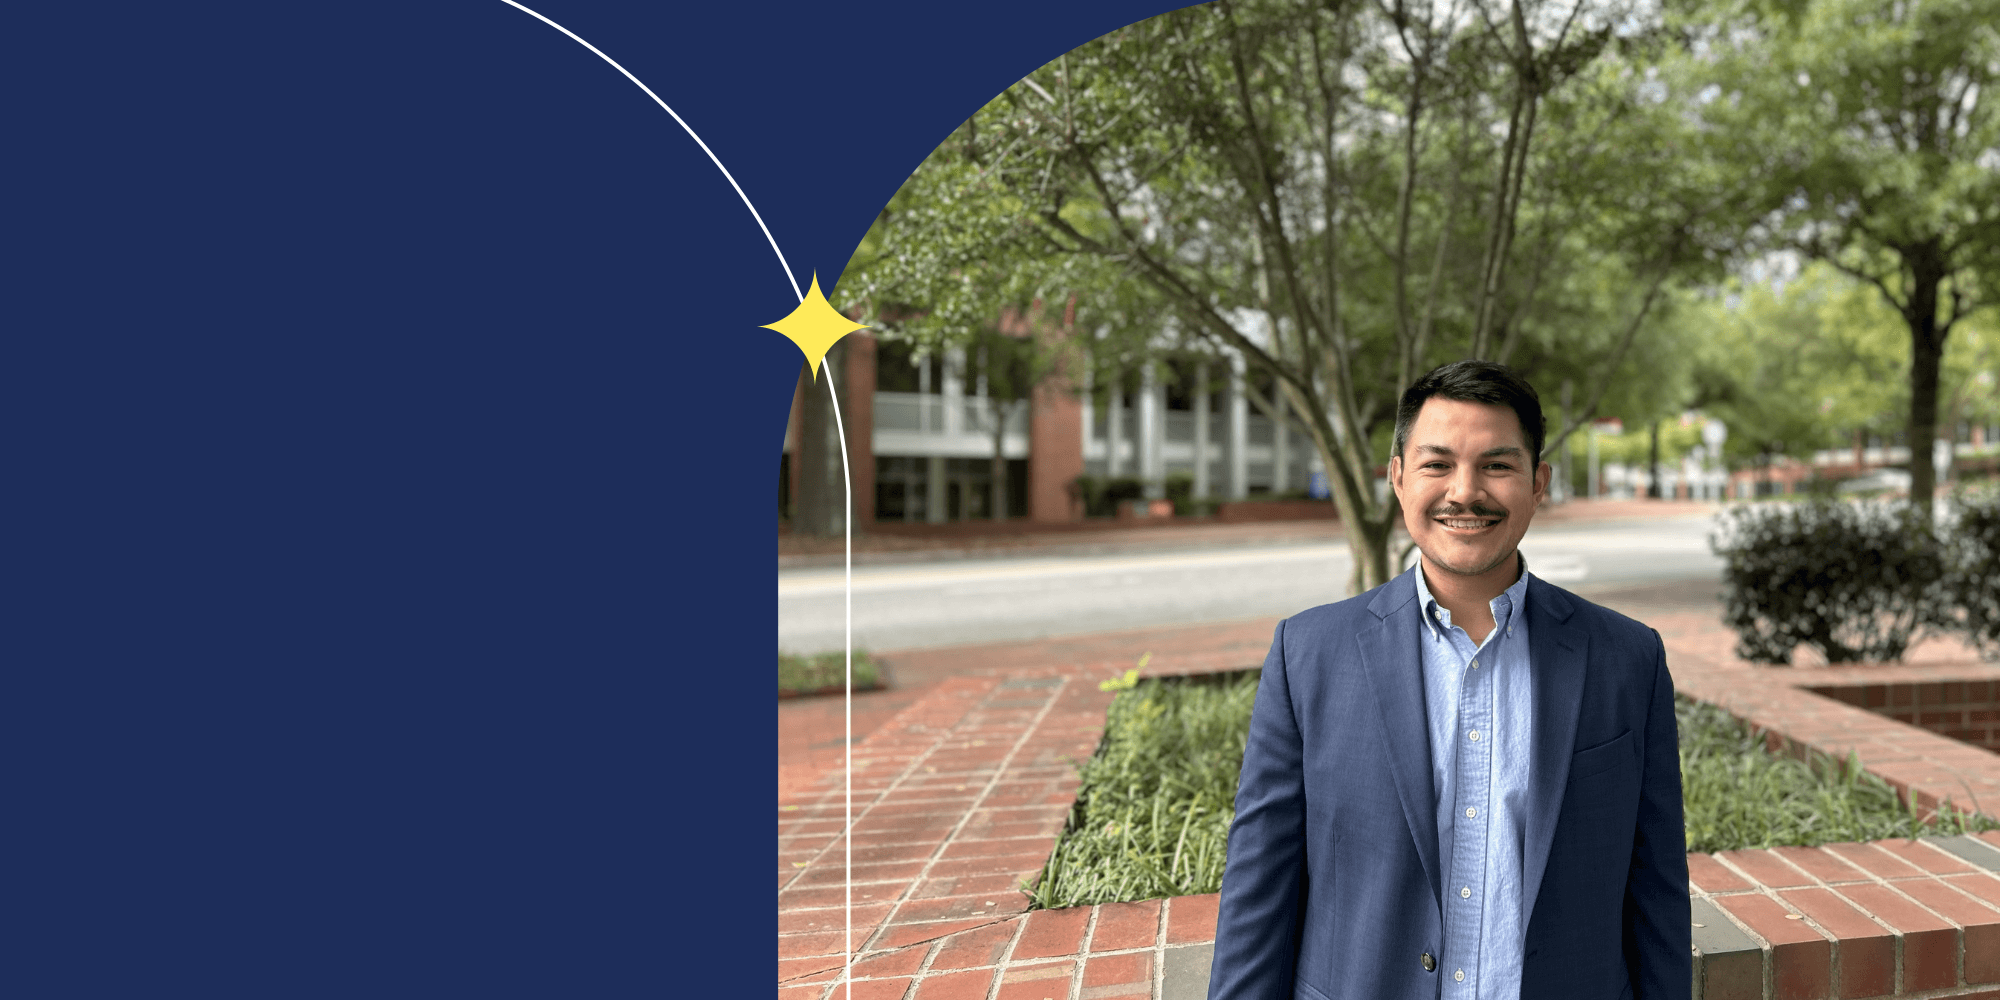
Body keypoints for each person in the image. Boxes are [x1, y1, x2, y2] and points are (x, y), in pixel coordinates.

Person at [1206, 361, 1688, 1000]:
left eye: (1497, 465)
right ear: (1397, 478)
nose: (1465, 491)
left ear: (1537, 482)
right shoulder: (1309, 654)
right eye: (1437, 465)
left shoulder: (1627, 658)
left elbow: (1655, 886)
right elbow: (1259, 888)